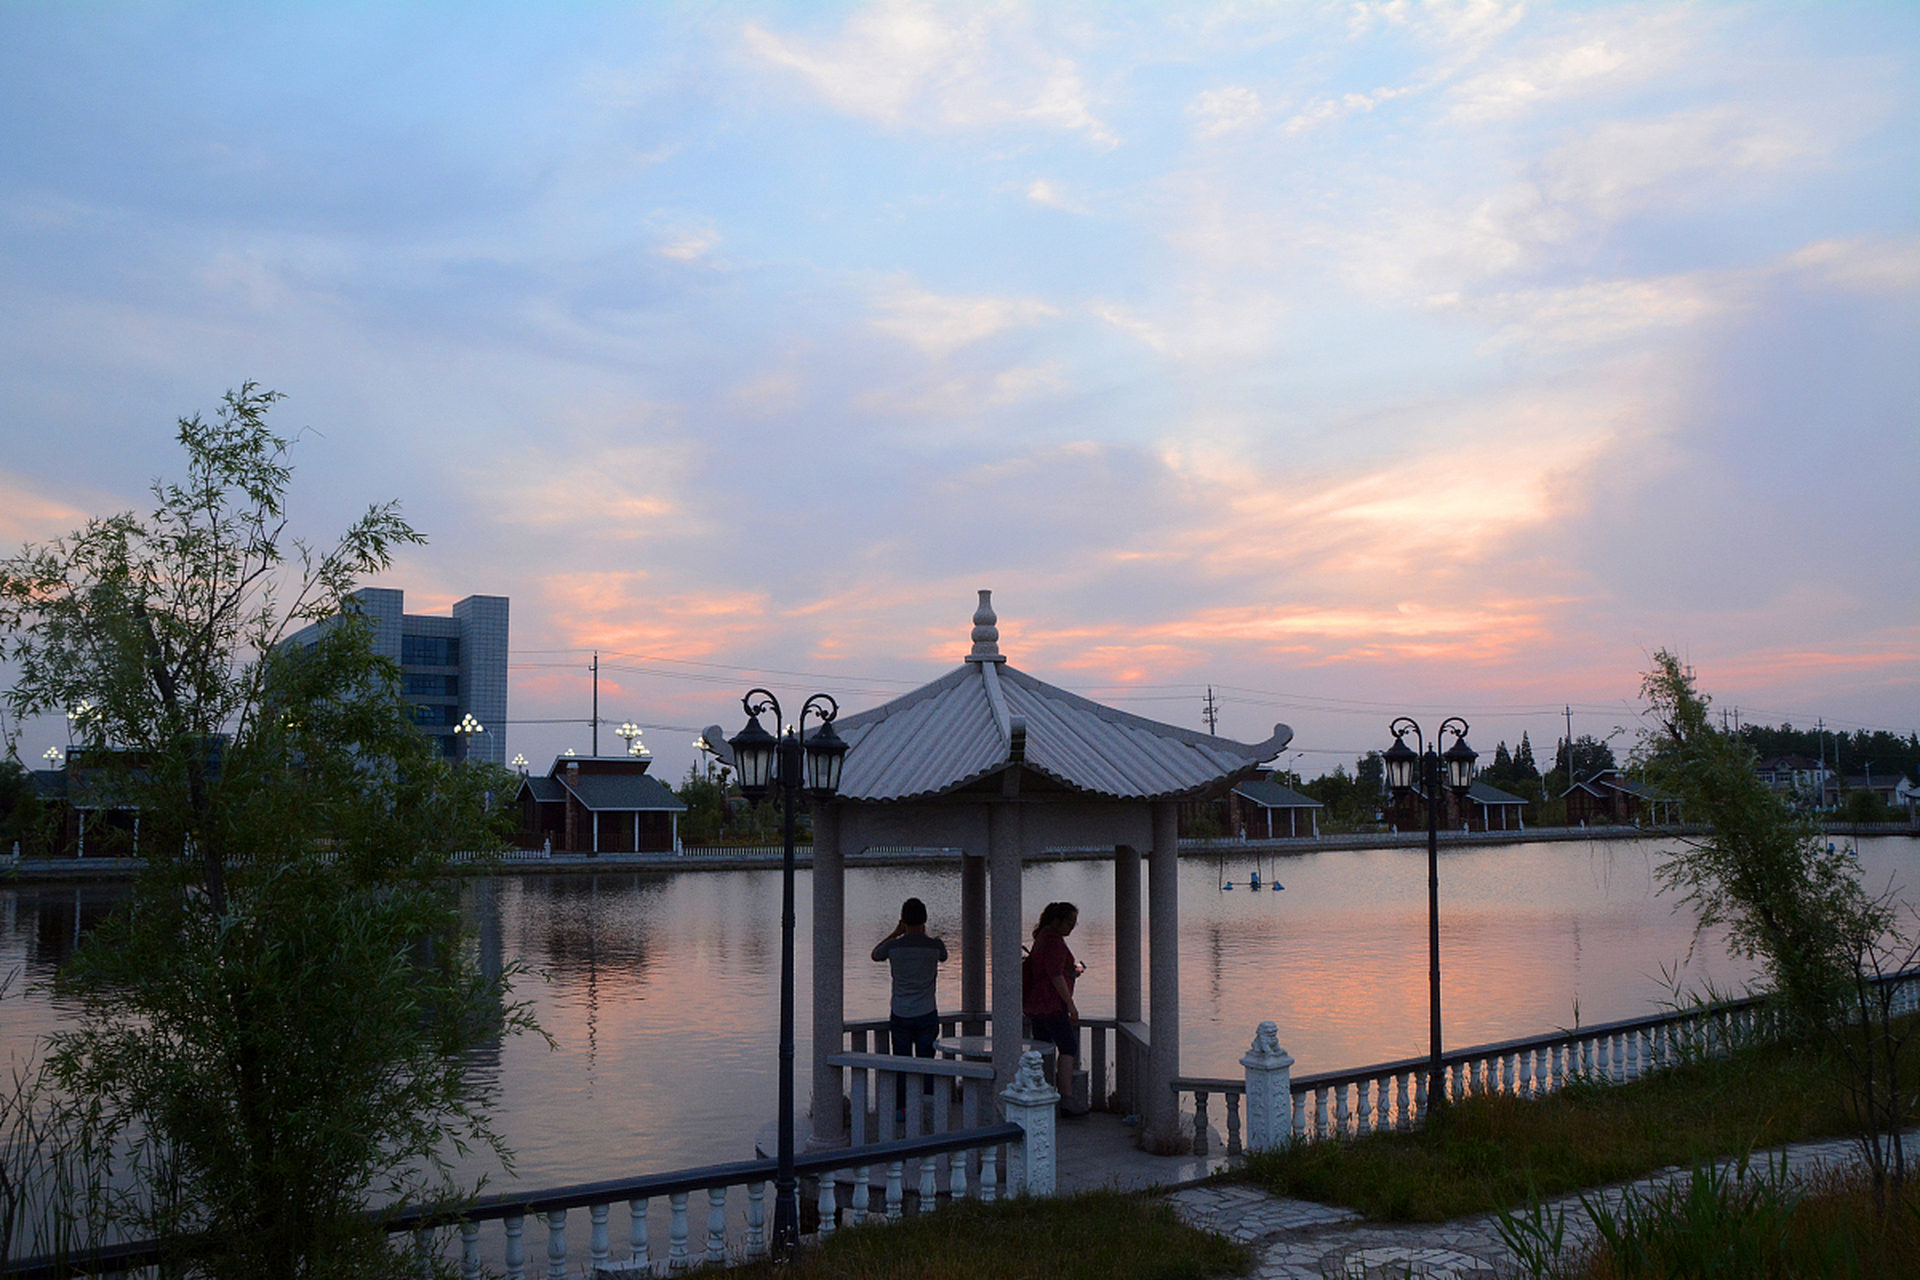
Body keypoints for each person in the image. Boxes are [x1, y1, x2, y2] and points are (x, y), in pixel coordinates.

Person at [872, 897, 947, 1111]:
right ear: (925, 918)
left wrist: (896, 933)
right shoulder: (935, 946)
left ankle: (902, 1110)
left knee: (902, 1065)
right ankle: (928, 1107)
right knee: (927, 1064)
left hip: (901, 1013)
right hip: (927, 1012)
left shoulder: (894, 947)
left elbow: (875, 954)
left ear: (903, 919)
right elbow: (944, 956)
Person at [1023, 900, 1087, 1114]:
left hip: (1035, 1004)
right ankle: (1067, 1099)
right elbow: (1055, 975)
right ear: (1056, 921)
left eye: (1074, 924)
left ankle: (1039, 1094)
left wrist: (1073, 971)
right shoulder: (1054, 941)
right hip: (1050, 1004)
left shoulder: (1041, 938)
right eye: (1069, 922)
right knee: (1068, 1046)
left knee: (1041, 1048)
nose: (1071, 927)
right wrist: (1071, 1005)